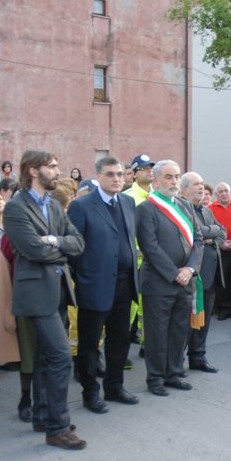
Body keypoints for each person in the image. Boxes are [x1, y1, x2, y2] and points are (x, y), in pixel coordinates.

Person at [4, 149, 87, 450]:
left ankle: (42, 414)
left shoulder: (53, 205)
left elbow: (78, 242)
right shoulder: (15, 208)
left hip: (58, 288)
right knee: (61, 356)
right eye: (52, 167)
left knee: (44, 358)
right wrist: (59, 249)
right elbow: (33, 251)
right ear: (34, 171)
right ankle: (57, 427)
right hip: (35, 293)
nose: (57, 171)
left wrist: (54, 241)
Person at [67, 157, 140, 413]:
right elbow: (73, 249)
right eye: (110, 174)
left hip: (124, 284)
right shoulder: (82, 206)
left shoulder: (129, 203)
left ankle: (115, 386)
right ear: (98, 175)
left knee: (119, 341)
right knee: (89, 344)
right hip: (94, 286)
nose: (117, 178)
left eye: (120, 174)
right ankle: (90, 393)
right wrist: (84, 279)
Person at [135, 160, 203, 396]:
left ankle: (173, 373)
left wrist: (190, 269)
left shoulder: (185, 206)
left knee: (179, 330)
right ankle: (155, 378)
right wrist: (174, 273)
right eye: (168, 177)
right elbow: (150, 247)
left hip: (185, 281)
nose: (174, 181)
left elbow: (199, 241)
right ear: (155, 181)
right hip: (159, 282)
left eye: (176, 176)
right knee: (157, 333)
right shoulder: (146, 208)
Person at [182, 171, 224, 373]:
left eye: (202, 184)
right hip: (192, 275)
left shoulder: (206, 211)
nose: (201, 187)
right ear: (184, 190)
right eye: (196, 184)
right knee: (187, 321)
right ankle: (177, 361)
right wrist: (210, 232)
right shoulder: (182, 209)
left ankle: (198, 356)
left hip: (210, 274)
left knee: (204, 320)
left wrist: (210, 234)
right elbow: (193, 233)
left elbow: (221, 231)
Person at [208, 181, 231, 320]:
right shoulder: (210, 209)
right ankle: (225, 309)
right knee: (222, 281)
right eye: (221, 191)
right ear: (216, 195)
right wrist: (221, 243)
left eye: (226, 191)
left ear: (230, 192)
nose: (224, 194)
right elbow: (208, 230)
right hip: (220, 249)